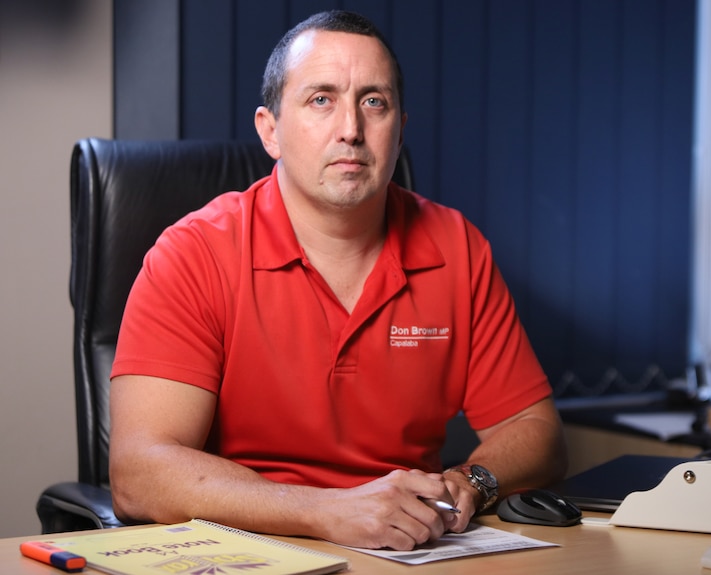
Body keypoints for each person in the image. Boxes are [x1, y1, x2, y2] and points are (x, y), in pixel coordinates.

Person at [109, 9, 567, 551]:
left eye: (374, 102)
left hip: (408, 549)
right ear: (270, 130)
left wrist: (471, 481)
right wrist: (328, 512)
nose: (351, 129)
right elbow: (139, 473)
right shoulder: (194, 254)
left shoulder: (456, 246)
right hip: (249, 549)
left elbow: (539, 434)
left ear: (399, 129)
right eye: (320, 99)